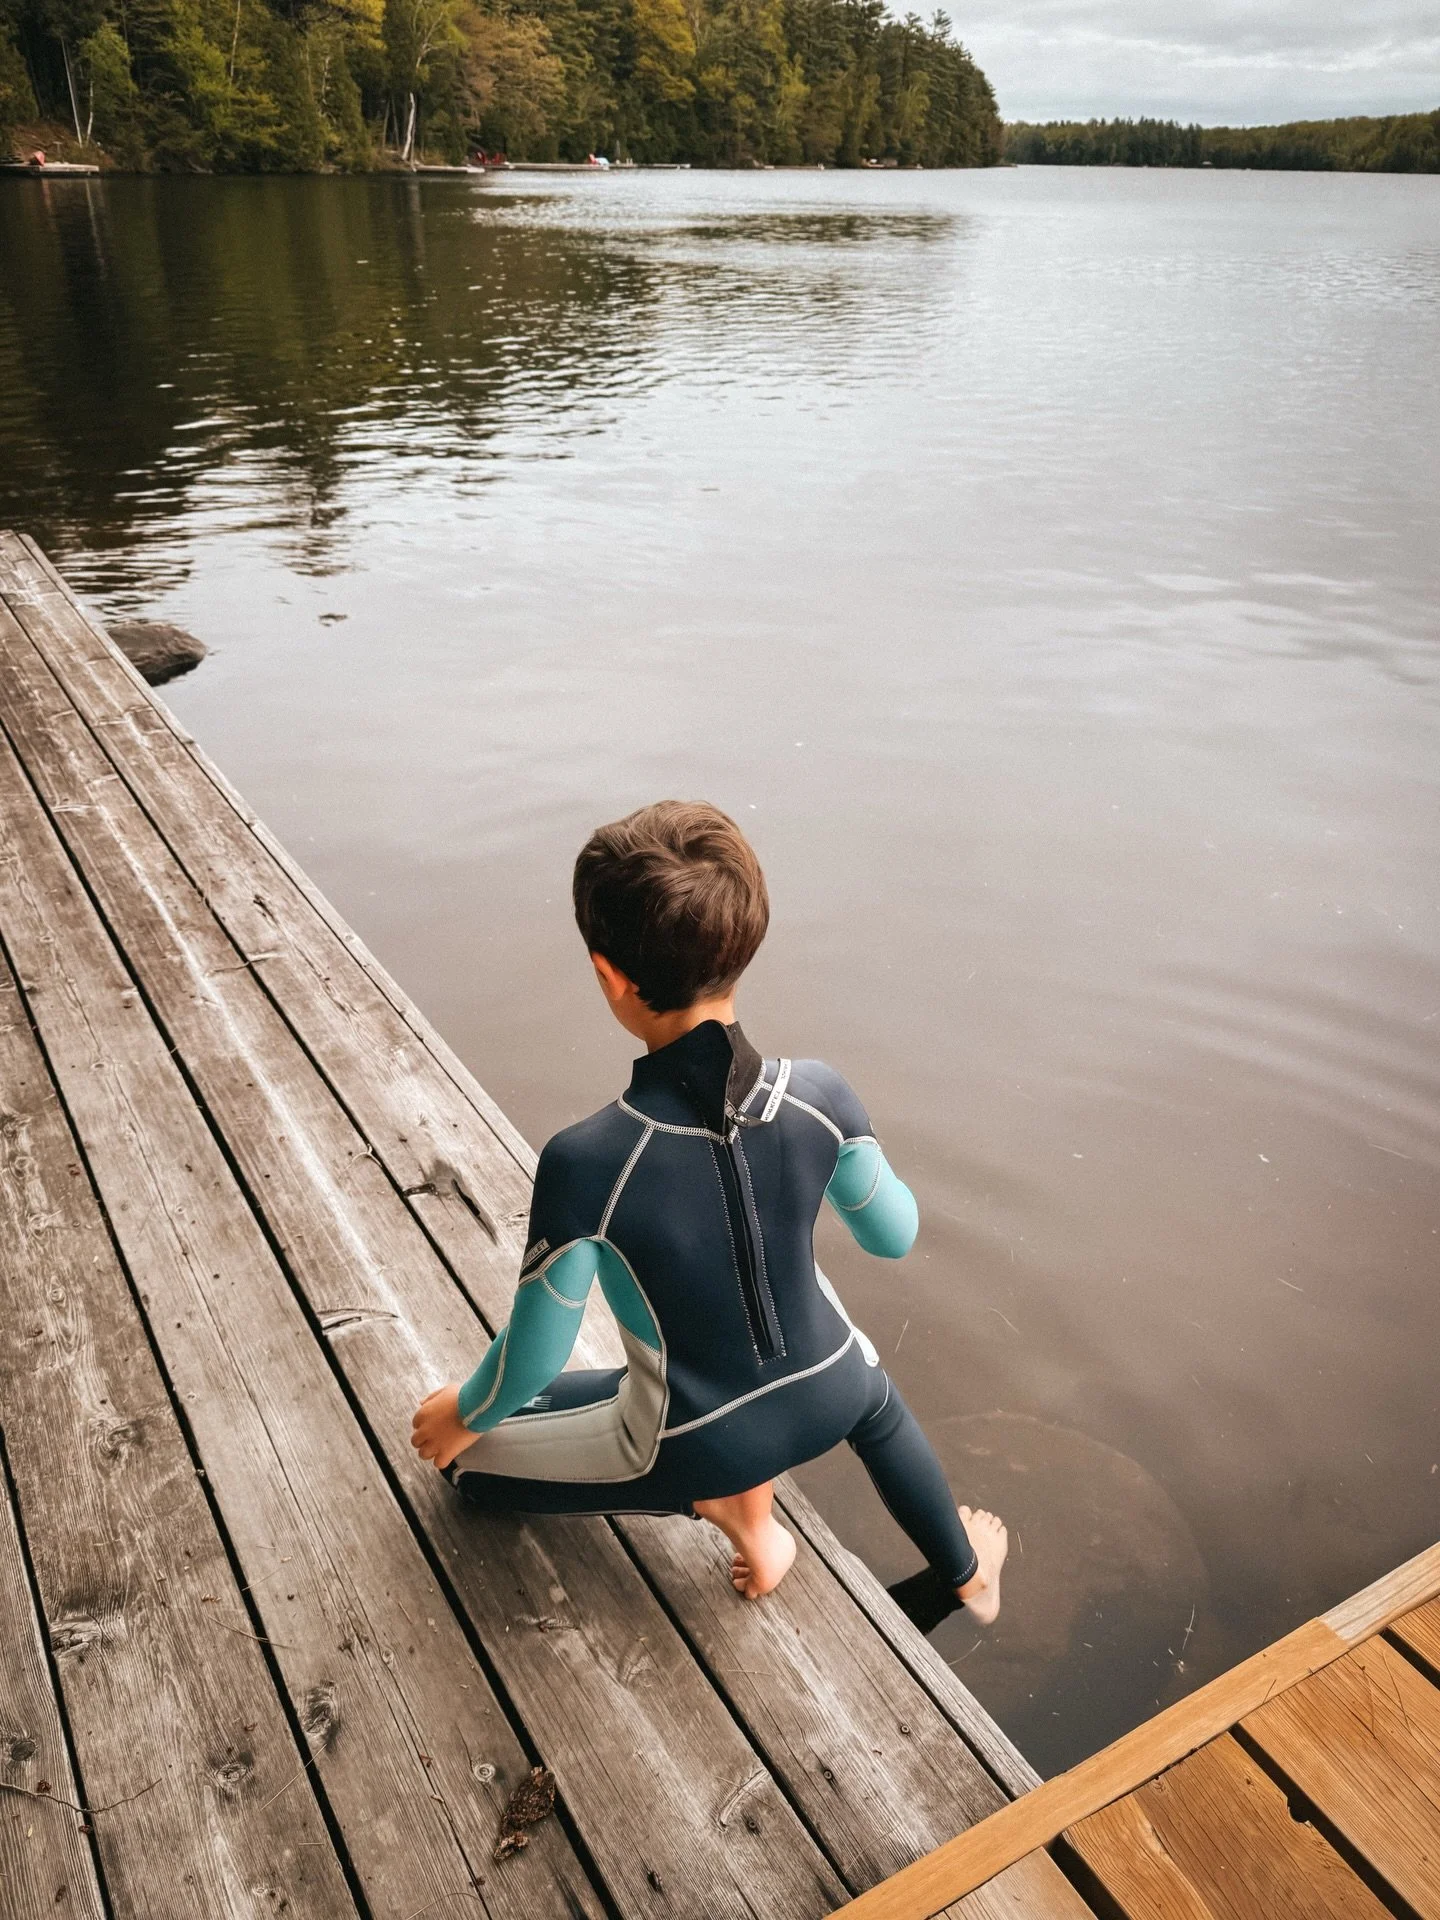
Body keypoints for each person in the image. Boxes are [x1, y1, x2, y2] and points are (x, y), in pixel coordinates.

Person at [411, 801, 1007, 1624]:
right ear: (744, 945)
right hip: (834, 1387)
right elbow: (894, 1235)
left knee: (466, 1471)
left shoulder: (590, 1162)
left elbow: (535, 1361)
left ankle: (732, 1506)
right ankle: (968, 1576)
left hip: (697, 1440)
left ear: (608, 974)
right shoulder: (821, 1098)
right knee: (874, 1394)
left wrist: (461, 1417)